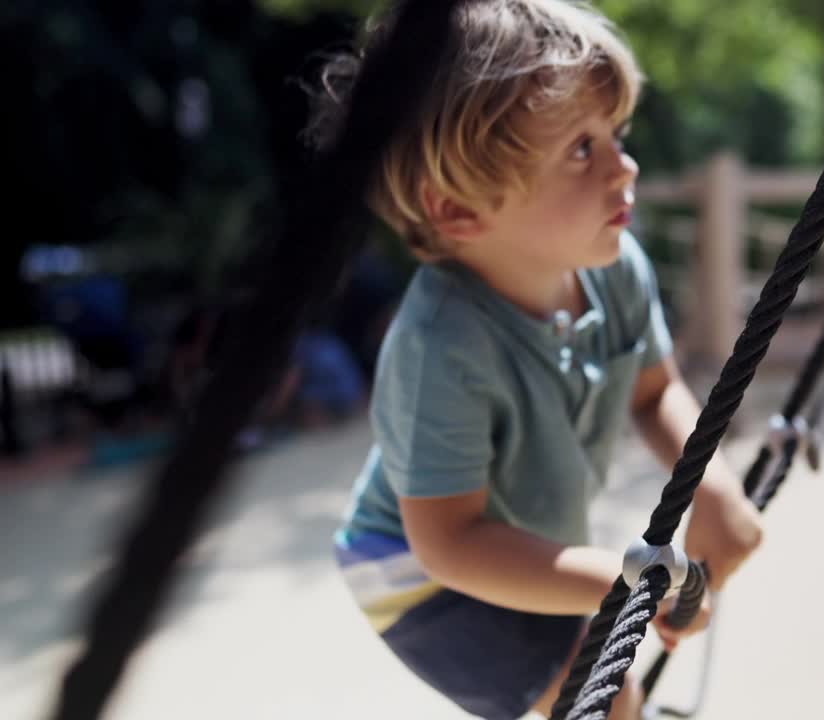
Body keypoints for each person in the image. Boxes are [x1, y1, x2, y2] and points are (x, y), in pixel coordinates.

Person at [310, 2, 764, 719]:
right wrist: (628, 582)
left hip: (524, 537)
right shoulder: (440, 347)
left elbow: (654, 393)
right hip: (422, 576)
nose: (625, 166)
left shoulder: (614, 269)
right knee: (603, 693)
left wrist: (713, 486)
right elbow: (453, 544)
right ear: (458, 208)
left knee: (606, 682)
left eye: (614, 134)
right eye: (582, 150)